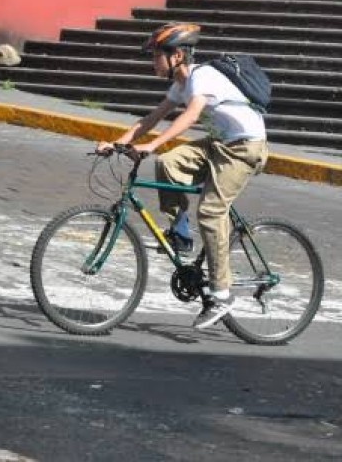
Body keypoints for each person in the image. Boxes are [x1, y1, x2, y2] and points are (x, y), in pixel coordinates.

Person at [96, 22, 268, 329]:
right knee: (169, 163)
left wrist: (151, 144)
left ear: (176, 55)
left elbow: (189, 117)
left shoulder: (202, 77)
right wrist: (119, 142)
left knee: (212, 212)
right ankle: (180, 235)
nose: (152, 62)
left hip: (245, 147)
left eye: (155, 56)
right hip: (219, 143)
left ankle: (221, 294)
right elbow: (152, 117)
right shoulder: (180, 84)